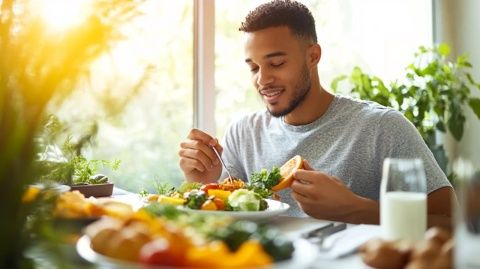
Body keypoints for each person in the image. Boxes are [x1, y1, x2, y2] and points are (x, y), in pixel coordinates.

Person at [178, 0, 454, 226]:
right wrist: (204, 186)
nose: (263, 79)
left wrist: (355, 209)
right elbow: (229, 222)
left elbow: (451, 221)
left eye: (276, 63)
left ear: (313, 56)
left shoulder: (382, 128)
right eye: (253, 67)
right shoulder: (243, 133)